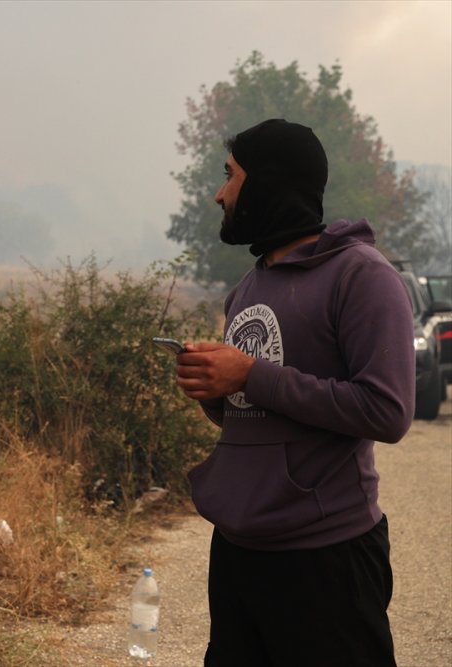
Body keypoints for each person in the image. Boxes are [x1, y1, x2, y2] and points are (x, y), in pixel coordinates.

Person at [174, 119, 415, 666]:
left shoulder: (362, 276)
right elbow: (257, 414)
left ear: (268, 183)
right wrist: (216, 387)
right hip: (238, 552)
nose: (219, 193)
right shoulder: (249, 285)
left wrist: (250, 374)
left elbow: (387, 410)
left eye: (230, 176)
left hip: (326, 558)